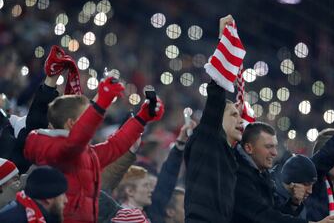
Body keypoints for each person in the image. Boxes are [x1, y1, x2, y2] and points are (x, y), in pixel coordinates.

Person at [24, 76, 165, 223]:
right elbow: (74, 143)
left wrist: (142, 118)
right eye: (87, 115)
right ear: (71, 123)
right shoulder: (53, 149)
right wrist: (101, 103)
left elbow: (114, 146)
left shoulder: (86, 153)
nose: (95, 122)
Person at [184, 14, 243, 223]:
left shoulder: (230, 156)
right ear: (218, 118)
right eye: (234, 115)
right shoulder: (207, 139)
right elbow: (217, 96)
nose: (240, 121)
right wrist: (223, 39)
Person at [232, 122, 334, 223]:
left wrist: (293, 203)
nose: (275, 153)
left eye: (275, 146)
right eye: (268, 147)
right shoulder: (237, 173)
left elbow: (277, 213)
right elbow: (263, 216)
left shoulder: (263, 175)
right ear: (249, 148)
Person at [0, 166, 68, 223]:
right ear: (49, 199)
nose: (66, 200)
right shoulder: (15, 219)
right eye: (62, 195)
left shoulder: (42, 216)